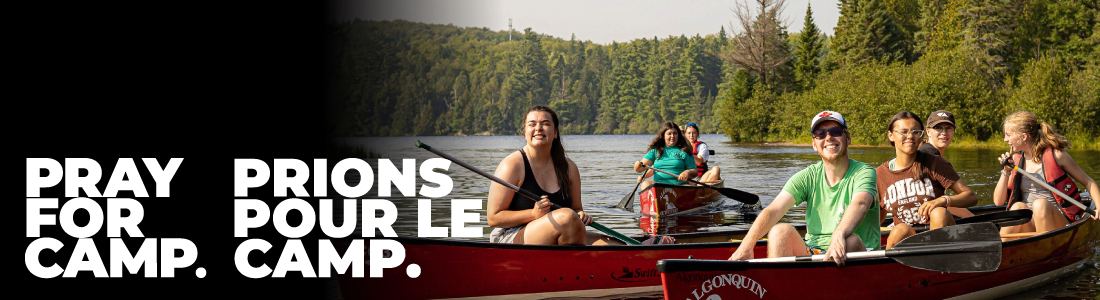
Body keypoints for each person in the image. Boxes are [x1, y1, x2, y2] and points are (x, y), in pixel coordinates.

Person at [728, 111, 880, 266]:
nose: (828, 138)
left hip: (859, 255)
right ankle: (782, 287)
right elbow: (773, 210)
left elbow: (860, 203)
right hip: (815, 253)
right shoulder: (808, 176)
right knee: (779, 231)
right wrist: (747, 245)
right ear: (814, 144)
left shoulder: (865, 172)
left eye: (835, 132)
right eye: (820, 134)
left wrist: (838, 233)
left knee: (850, 240)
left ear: (847, 138)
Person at [487, 106, 620, 245]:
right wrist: (532, 214)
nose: (538, 128)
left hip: (564, 228)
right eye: (532, 124)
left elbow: (576, 209)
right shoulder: (512, 165)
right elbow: (494, 218)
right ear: (525, 132)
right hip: (510, 236)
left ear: (555, 132)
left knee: (619, 246)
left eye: (545, 123)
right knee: (566, 218)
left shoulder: (569, 168)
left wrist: (581, 215)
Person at [876, 112, 977, 249]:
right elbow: (878, 218)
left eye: (915, 132)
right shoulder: (879, 174)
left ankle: (935, 260)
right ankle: (888, 267)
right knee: (900, 230)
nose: (910, 136)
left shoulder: (935, 163)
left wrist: (943, 200)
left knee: (939, 212)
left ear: (921, 135)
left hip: (942, 237)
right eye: (904, 132)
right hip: (908, 239)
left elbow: (971, 197)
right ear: (890, 135)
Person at [994, 111, 1099, 240]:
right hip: (1031, 225)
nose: (1005, 139)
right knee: (1017, 207)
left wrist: (1099, 207)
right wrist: (1005, 171)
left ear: (1024, 136)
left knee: (1040, 205)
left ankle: (1043, 249)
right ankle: (1001, 250)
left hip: (1058, 224)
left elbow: (1089, 182)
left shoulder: (1057, 155)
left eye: (1008, 135)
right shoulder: (1014, 161)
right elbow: (998, 202)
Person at [917, 110, 974, 218]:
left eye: (948, 128)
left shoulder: (925, 150)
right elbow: (969, 196)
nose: (944, 133)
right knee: (970, 218)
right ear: (928, 131)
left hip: (930, 208)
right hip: (925, 212)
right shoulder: (930, 154)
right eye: (938, 128)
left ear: (953, 131)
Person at [633, 121, 698, 187]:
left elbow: (695, 172)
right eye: (669, 133)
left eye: (675, 133)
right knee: (645, 184)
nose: (672, 136)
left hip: (679, 186)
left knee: (689, 187)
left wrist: (687, 172)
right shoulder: (656, 150)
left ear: (678, 135)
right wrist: (637, 166)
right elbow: (641, 168)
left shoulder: (685, 151)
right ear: (663, 136)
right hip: (659, 187)